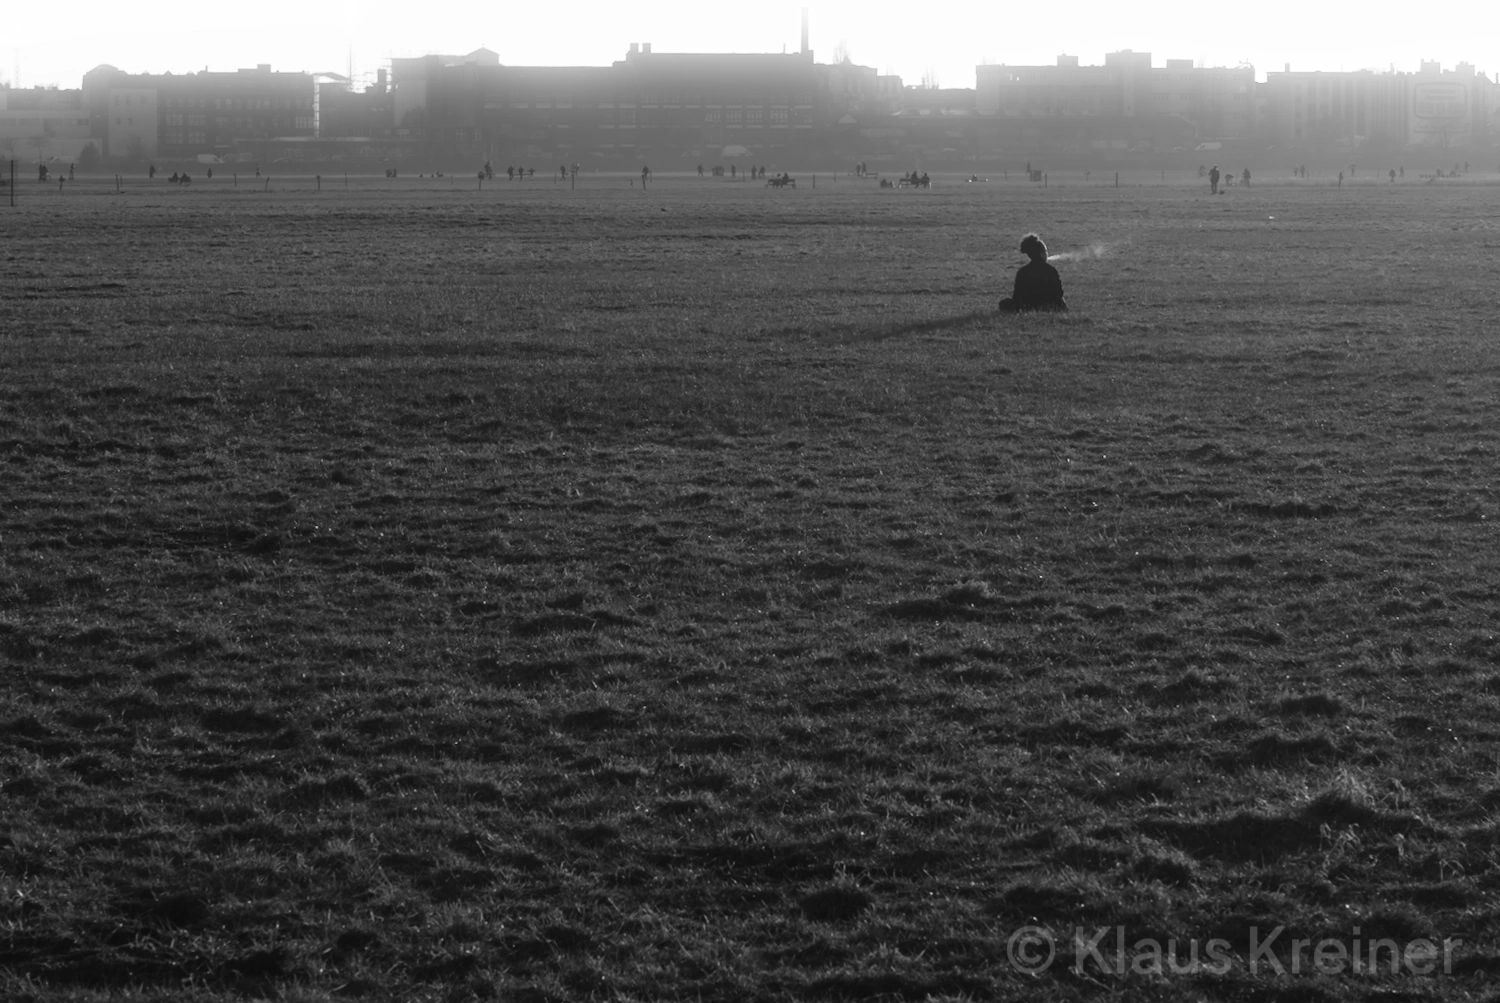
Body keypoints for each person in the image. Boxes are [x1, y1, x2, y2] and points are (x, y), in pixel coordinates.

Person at [998, 233, 1067, 313]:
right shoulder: (1051, 270)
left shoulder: (1022, 272)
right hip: (1049, 308)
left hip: (1027, 308)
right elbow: (1059, 293)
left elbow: (1017, 296)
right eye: (1046, 251)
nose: (1047, 254)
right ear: (1042, 254)